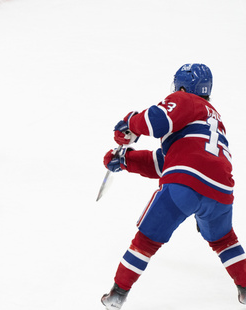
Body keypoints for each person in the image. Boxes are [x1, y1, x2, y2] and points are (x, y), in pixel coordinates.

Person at [101, 63, 246, 309]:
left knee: (146, 241)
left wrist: (129, 123)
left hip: (184, 184)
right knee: (224, 241)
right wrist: (126, 160)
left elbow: (156, 120)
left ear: (182, 86)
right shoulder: (214, 121)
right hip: (221, 192)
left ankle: (117, 294)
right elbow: (167, 163)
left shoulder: (185, 100)